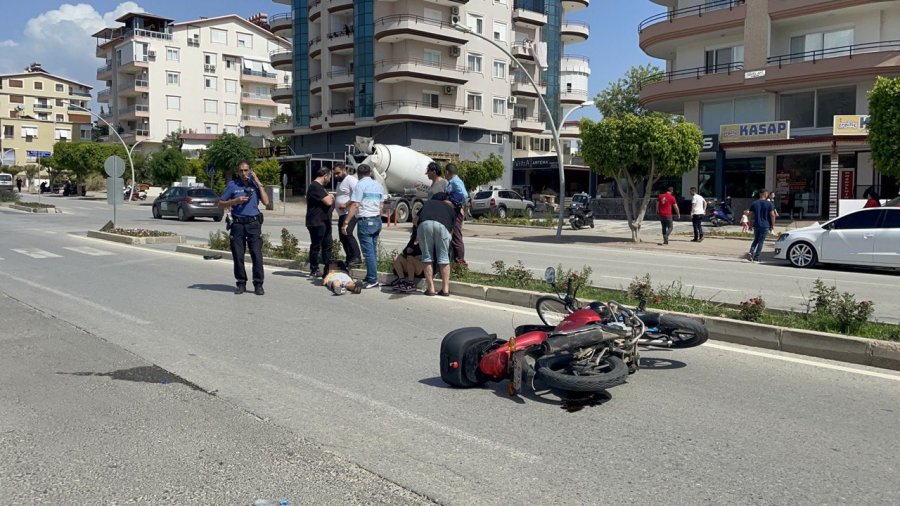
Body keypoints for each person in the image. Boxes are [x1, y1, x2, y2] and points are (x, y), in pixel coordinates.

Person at [219, 161, 270, 294]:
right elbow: (220, 203)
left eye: (246, 170)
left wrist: (258, 183)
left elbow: (266, 202)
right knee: (238, 255)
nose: (243, 173)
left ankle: (258, 284)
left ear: (250, 171)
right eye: (241, 170)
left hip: (253, 224)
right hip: (238, 224)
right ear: (238, 171)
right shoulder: (233, 185)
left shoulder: (255, 185)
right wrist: (235, 201)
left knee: (257, 255)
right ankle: (241, 283)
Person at [343, 164, 385, 289]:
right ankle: (371, 276)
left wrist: (346, 222)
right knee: (373, 251)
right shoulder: (378, 185)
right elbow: (381, 205)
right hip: (377, 220)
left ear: (358, 174)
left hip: (366, 221)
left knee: (368, 253)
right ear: (370, 173)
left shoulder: (360, 185)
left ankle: (372, 279)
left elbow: (355, 205)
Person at [415, 192, 457, 296]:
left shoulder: (428, 204)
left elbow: (415, 220)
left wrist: (418, 233)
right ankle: (445, 289)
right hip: (443, 227)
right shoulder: (450, 208)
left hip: (425, 224)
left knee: (427, 257)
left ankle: (431, 289)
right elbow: (452, 229)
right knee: (443, 258)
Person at [306, 166, 334, 279]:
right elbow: (328, 201)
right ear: (325, 175)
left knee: (327, 245)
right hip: (316, 222)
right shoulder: (315, 186)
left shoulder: (321, 187)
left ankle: (328, 268)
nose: (330, 179)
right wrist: (331, 196)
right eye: (330, 176)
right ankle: (314, 268)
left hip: (325, 221)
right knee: (316, 246)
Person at [334, 163, 362, 266]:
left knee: (347, 233)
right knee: (342, 236)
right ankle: (350, 258)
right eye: (335, 174)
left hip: (349, 213)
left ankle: (357, 257)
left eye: (338, 173)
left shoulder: (351, 180)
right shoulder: (339, 182)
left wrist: (346, 204)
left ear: (344, 170)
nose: (336, 175)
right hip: (342, 214)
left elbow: (358, 195)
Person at [444, 163, 467, 265]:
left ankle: (460, 262)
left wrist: (454, 203)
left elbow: (464, 195)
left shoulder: (455, 182)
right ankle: (454, 260)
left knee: (457, 237)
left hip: (456, 212)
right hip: (452, 212)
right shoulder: (452, 181)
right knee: (453, 237)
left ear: (447, 172)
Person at [391, 225, 424, 293]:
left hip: (420, 267)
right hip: (410, 264)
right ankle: (402, 281)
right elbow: (405, 251)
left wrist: (414, 252)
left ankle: (411, 283)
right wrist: (407, 251)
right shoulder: (413, 239)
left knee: (410, 258)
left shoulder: (425, 240)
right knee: (397, 257)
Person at [747, 188, 776, 263]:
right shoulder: (769, 204)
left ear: (760, 194)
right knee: (761, 241)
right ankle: (756, 257)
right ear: (765, 194)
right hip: (765, 225)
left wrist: (750, 224)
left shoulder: (754, 203)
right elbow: (772, 215)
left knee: (756, 239)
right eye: (767, 194)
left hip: (756, 224)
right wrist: (773, 225)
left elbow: (749, 214)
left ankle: (751, 252)